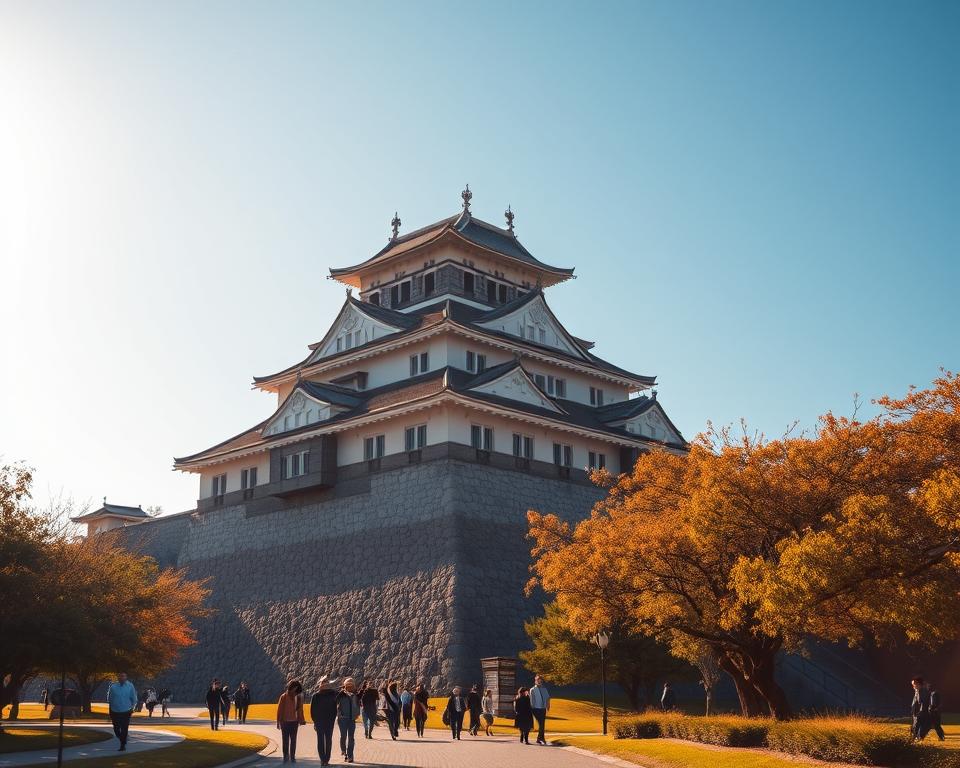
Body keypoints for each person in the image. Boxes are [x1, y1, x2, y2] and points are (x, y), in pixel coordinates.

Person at [106, 672, 138, 752]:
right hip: (115, 710)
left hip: (126, 710)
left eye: (123, 676)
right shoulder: (113, 687)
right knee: (116, 729)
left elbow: (134, 698)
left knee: (124, 728)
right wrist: (110, 709)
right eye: (120, 676)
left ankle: (122, 745)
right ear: (118, 677)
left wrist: (132, 708)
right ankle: (122, 739)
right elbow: (109, 699)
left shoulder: (130, 686)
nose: (122, 678)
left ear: (126, 677)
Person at [310, 676, 338, 767]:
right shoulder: (332, 694)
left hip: (321, 721)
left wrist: (315, 721)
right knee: (327, 740)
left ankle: (323, 760)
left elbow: (312, 710)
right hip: (327, 721)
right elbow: (313, 710)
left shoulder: (317, 695)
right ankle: (325, 760)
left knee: (322, 740)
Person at [276, 679, 306, 763]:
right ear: (292, 687)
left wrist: (302, 720)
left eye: (297, 688)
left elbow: (300, 710)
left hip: (294, 722)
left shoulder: (298, 697)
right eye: (295, 688)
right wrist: (278, 722)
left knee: (293, 740)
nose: (295, 690)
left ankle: (292, 756)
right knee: (285, 740)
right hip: (284, 722)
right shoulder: (284, 696)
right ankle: (286, 756)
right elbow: (279, 709)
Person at [336, 677, 360, 764]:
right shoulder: (341, 694)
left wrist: (357, 714)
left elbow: (357, 705)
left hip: (351, 720)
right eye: (348, 686)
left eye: (351, 686)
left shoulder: (355, 695)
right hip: (342, 719)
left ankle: (350, 755)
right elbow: (335, 702)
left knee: (351, 738)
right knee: (343, 736)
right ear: (345, 686)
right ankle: (343, 750)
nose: (350, 687)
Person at [530, 674, 551, 745]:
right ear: (535, 681)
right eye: (538, 680)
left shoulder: (544, 689)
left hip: (543, 709)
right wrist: (532, 709)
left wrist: (548, 705)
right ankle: (541, 738)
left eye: (540, 680)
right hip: (535, 709)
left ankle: (540, 738)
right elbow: (531, 701)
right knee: (541, 724)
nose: (539, 681)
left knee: (542, 724)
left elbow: (548, 698)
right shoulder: (532, 689)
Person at [910, 676, 931, 741]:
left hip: (920, 713)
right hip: (917, 713)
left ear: (918, 684)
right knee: (915, 726)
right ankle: (916, 738)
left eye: (914, 684)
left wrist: (920, 711)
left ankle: (916, 738)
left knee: (917, 726)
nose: (913, 686)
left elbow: (922, 702)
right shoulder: (918, 691)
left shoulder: (922, 691)